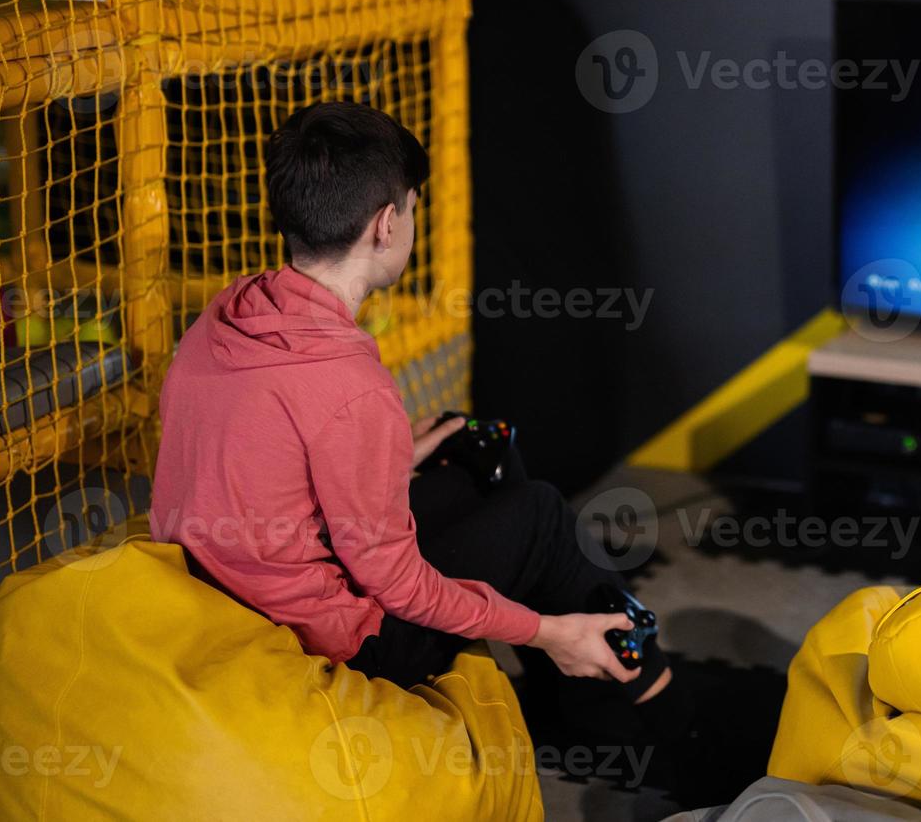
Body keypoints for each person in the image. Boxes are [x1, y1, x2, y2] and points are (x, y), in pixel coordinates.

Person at [150, 101, 694, 766]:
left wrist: (392, 457)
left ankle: (578, 703)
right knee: (538, 516)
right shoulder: (351, 384)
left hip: (229, 594)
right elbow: (398, 585)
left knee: (470, 457)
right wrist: (549, 631)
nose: (409, 221)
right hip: (326, 638)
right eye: (411, 207)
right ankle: (662, 721)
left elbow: (263, 456)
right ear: (386, 225)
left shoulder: (232, 312)